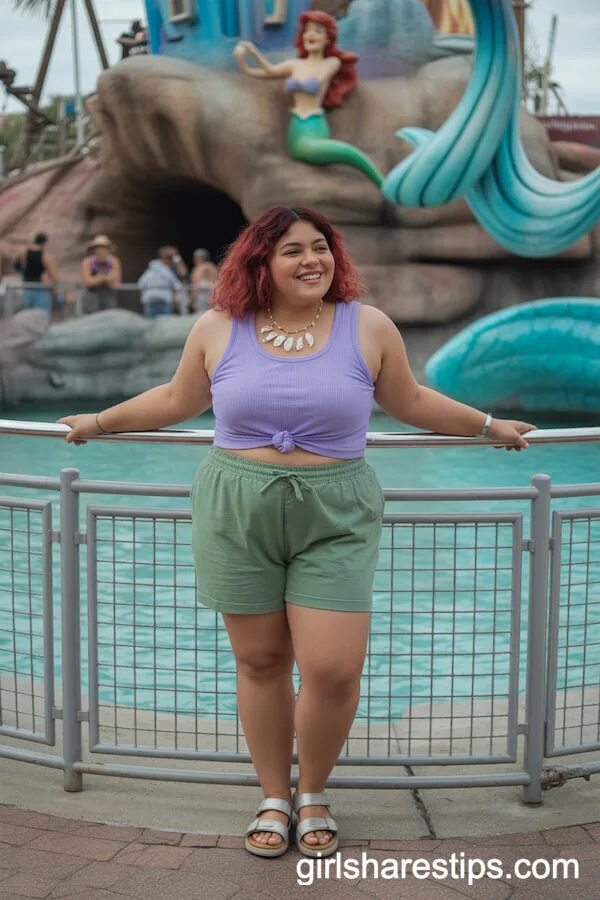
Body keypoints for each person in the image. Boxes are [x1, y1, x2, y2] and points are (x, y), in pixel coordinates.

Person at [57, 204, 535, 859]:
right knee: (259, 662)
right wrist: (100, 421)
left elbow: (412, 401)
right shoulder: (219, 326)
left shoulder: (366, 327)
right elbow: (175, 401)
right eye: (292, 250)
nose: (312, 260)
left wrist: (489, 426)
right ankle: (274, 796)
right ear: (261, 263)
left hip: (335, 510)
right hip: (236, 506)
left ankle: (314, 788)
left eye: (321, 247)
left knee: (333, 669)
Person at [233, 11, 384, 187]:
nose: (310, 35)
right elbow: (263, 71)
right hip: (298, 126)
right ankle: (380, 180)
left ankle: (380, 181)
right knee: (304, 148)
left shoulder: (331, 63)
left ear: (328, 39)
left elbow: (315, 81)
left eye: (318, 31)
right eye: (308, 30)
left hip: (316, 124)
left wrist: (297, 82)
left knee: (349, 154)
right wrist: (248, 55)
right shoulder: (295, 64)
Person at [14, 232, 58, 314]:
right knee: (42, 316)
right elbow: (55, 277)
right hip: (40, 289)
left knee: (26, 316)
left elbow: (17, 267)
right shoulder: (45, 257)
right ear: (44, 243)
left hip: (27, 288)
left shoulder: (24, 254)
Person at [137, 246, 186, 318]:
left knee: (164, 325)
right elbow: (141, 284)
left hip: (165, 300)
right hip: (152, 301)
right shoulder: (152, 269)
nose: (170, 260)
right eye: (169, 257)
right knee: (152, 325)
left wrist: (177, 259)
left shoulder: (170, 270)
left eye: (171, 257)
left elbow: (183, 274)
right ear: (163, 258)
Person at [82, 236, 122, 314]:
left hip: (109, 296)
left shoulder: (114, 261)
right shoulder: (87, 262)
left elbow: (115, 282)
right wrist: (102, 278)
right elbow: (88, 281)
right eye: (98, 248)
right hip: (92, 296)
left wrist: (99, 279)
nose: (101, 250)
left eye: (103, 247)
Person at [190, 248, 218, 314]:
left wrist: (192, 298)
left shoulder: (200, 267)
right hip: (213, 294)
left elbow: (195, 283)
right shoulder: (212, 266)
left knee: (201, 314)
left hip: (202, 295)